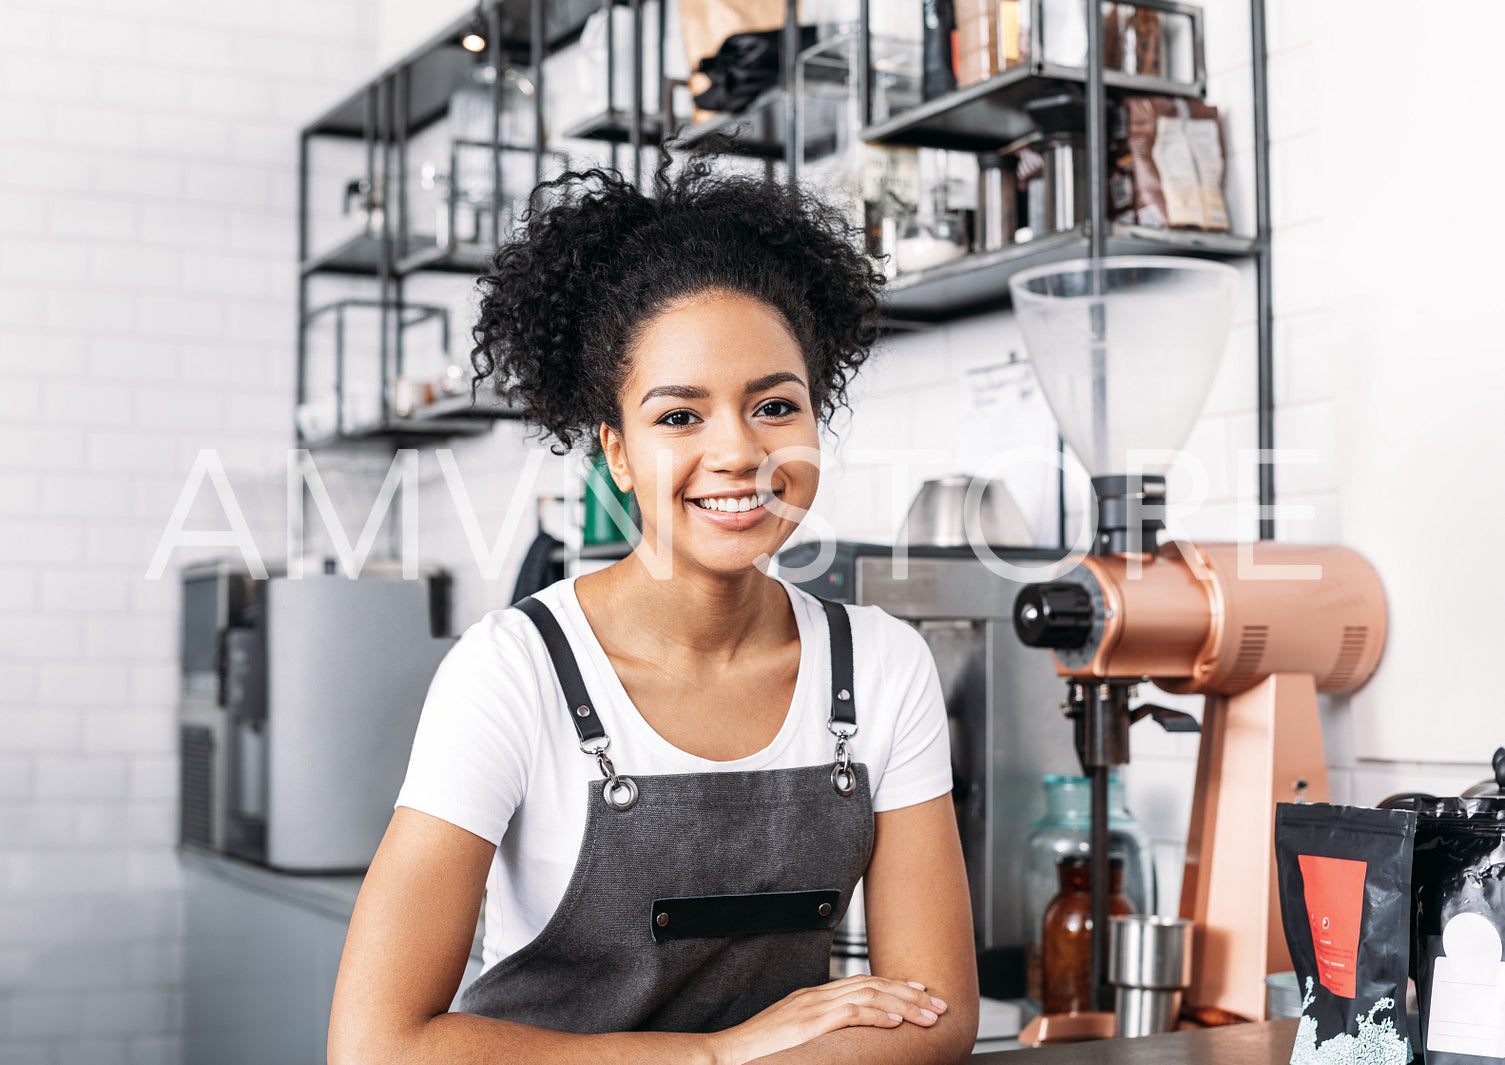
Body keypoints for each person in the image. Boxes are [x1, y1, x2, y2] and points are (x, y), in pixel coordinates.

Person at [328, 158, 979, 1065]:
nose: (738, 452)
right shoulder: (512, 671)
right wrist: (713, 1055)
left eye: (775, 405)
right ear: (618, 451)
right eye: (679, 417)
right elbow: (377, 1047)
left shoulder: (880, 665)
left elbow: (937, 1015)